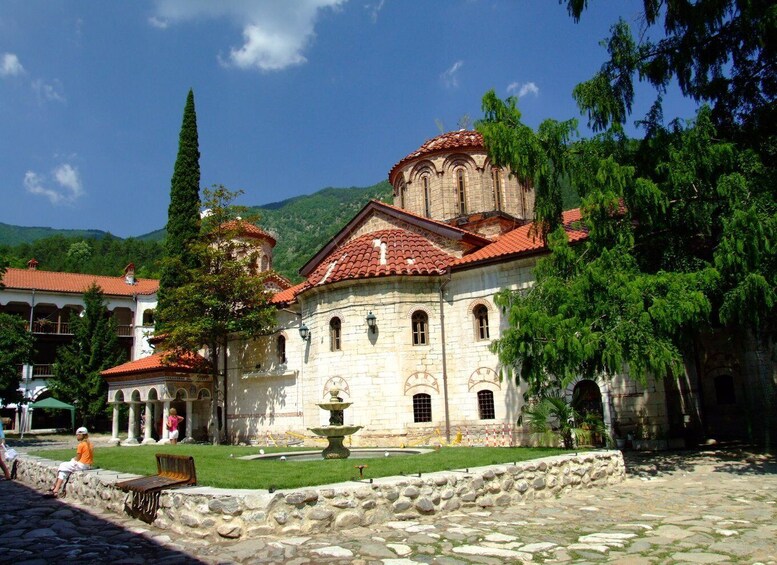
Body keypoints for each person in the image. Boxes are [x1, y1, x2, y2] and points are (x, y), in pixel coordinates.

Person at [45, 426, 93, 497]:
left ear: (81, 435)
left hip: (81, 465)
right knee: (64, 470)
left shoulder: (81, 445)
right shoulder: (90, 444)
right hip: (87, 464)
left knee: (62, 465)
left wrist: (73, 459)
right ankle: (55, 489)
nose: (76, 436)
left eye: (77, 435)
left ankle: (55, 487)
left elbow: (78, 458)